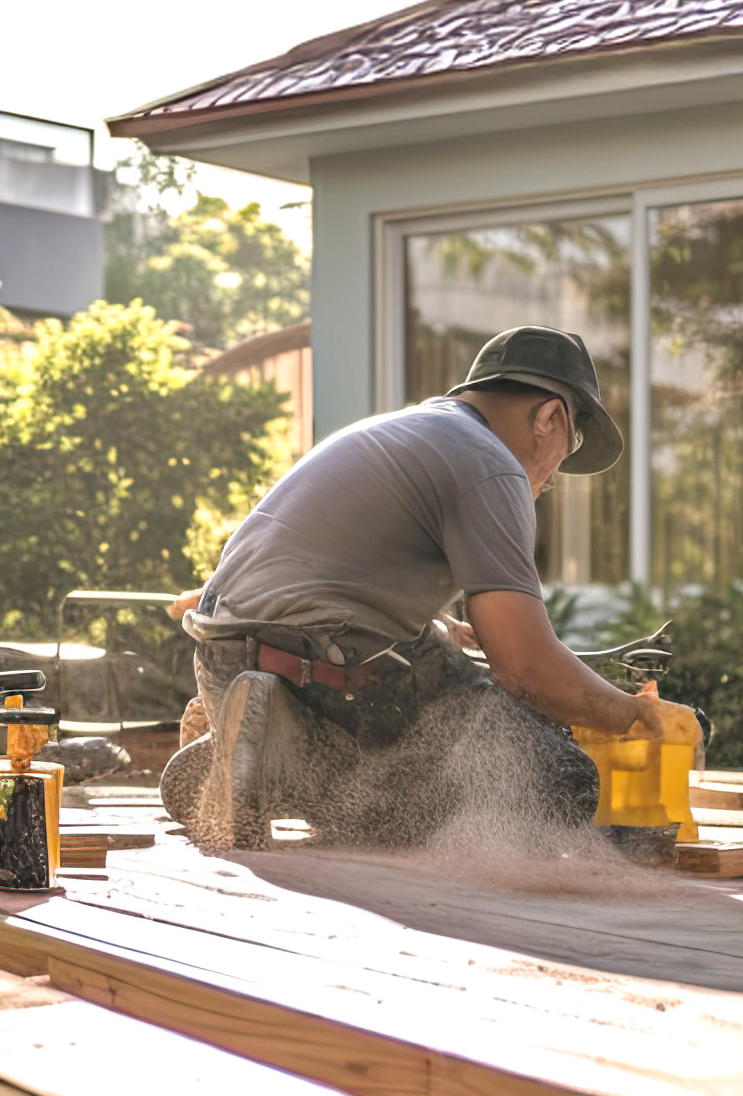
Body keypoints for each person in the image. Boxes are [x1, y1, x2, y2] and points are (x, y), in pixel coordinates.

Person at [163, 326, 662, 850]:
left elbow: (327, 569)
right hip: (319, 663)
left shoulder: (407, 430)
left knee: (441, 685)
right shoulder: (492, 465)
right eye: (572, 442)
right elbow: (527, 668)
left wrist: (437, 622)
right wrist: (635, 716)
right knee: (558, 777)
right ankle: (290, 764)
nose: (559, 470)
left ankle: (255, 753)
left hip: (224, 660)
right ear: (550, 417)